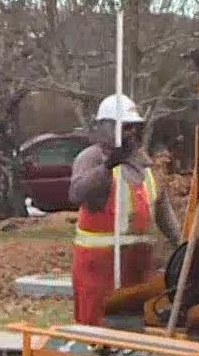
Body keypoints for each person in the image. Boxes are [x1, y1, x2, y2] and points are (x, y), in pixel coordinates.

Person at [68, 94, 183, 326]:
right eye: (125, 127)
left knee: (135, 325)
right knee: (97, 326)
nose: (130, 133)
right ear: (106, 127)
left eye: (134, 127)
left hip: (138, 266)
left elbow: (162, 210)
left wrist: (182, 246)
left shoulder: (143, 163)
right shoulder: (91, 158)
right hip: (98, 268)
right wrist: (107, 166)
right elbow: (77, 194)